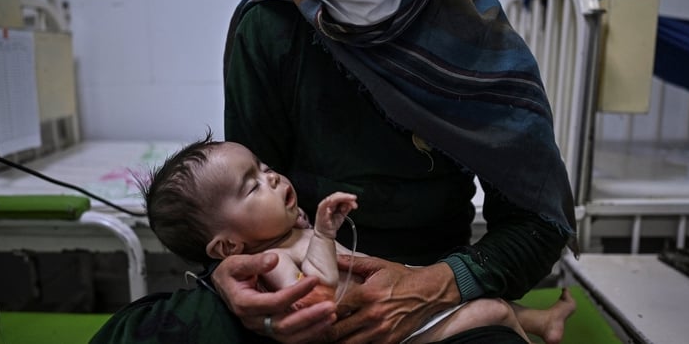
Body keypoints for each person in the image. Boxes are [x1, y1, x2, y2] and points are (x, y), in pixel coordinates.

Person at [92, 0, 578, 343]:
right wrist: (232, 278)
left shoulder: (476, 43)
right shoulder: (271, 26)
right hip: (296, 289)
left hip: (432, 280)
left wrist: (439, 284)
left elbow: (537, 223)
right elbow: (231, 209)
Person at [140, 134, 576, 344]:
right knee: (490, 310)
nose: (271, 177)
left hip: (395, 304)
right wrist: (324, 235)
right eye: (252, 186)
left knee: (454, 291)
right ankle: (525, 326)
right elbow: (319, 296)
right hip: (385, 337)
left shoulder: (284, 235)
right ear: (228, 248)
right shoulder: (271, 263)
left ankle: (540, 323)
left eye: (263, 166)